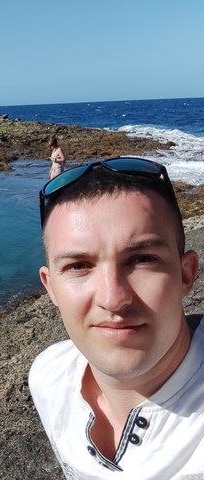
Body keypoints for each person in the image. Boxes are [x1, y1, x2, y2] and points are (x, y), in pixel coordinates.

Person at [28, 157, 204, 479]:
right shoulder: (48, 378)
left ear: (186, 274)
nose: (113, 299)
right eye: (79, 266)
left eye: (142, 259)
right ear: (50, 288)